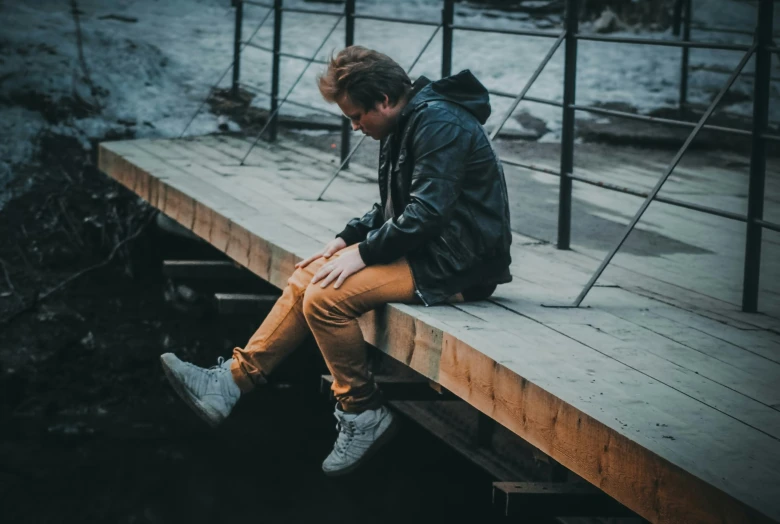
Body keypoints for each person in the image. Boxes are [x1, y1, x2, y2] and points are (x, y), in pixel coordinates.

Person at [160, 45, 512, 477]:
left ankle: (363, 412)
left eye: (356, 116)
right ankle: (230, 382)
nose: (355, 126)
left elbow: (426, 212)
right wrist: (344, 239)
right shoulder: (405, 120)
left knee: (327, 299)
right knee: (310, 273)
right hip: (428, 249)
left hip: (459, 264)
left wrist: (362, 255)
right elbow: (393, 208)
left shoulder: (439, 122)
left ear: (383, 100)